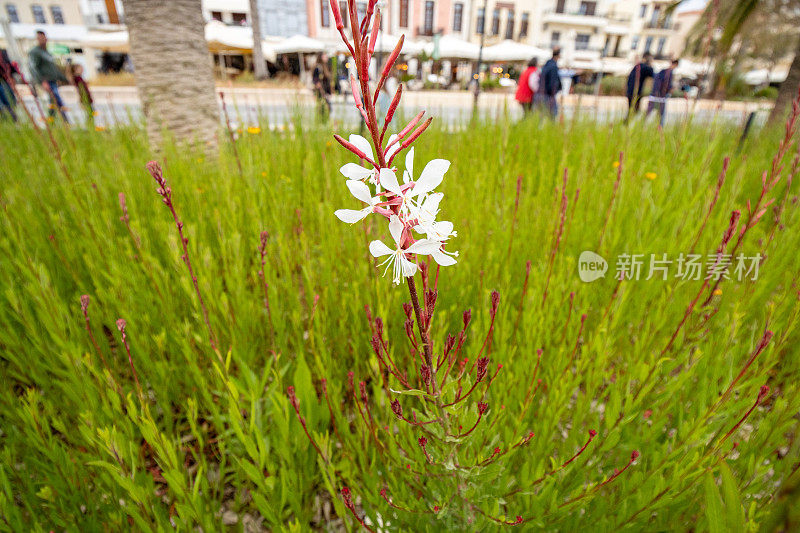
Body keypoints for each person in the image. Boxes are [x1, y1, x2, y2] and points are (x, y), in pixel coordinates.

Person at [28, 30, 68, 122]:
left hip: (53, 80)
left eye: (43, 37)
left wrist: (65, 79)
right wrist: (42, 81)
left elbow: (53, 68)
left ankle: (51, 122)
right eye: (39, 38)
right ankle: (65, 122)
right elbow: (33, 68)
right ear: (37, 39)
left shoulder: (47, 52)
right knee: (56, 99)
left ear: (46, 38)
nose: (42, 40)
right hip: (47, 81)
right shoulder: (35, 52)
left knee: (53, 101)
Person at [646, 59, 679, 128]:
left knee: (648, 114)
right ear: (676, 65)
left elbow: (656, 82)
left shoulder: (662, 71)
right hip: (661, 97)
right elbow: (667, 85)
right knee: (661, 116)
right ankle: (659, 129)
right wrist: (670, 89)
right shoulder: (669, 73)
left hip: (653, 95)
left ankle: (644, 127)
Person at [625, 52, 654, 120]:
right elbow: (652, 74)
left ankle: (626, 123)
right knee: (634, 110)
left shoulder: (637, 66)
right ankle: (627, 124)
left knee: (632, 109)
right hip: (635, 92)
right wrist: (650, 64)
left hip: (630, 92)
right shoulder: (644, 67)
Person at [536, 47, 562, 118]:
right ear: (559, 55)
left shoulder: (546, 64)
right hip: (548, 95)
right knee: (553, 116)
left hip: (540, 94)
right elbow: (553, 83)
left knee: (539, 117)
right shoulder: (553, 66)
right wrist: (554, 92)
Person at [0, 48, 20, 122]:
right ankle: (7, 122)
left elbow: (9, 66)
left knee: (10, 103)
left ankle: (14, 122)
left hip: (5, 81)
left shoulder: (3, 52)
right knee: (2, 107)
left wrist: (11, 79)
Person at [312, 52, 332, 121]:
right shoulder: (318, 68)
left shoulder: (326, 67)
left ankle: (325, 121)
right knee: (322, 108)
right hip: (321, 92)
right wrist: (320, 88)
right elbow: (315, 79)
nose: (326, 57)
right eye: (324, 56)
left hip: (326, 91)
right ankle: (322, 121)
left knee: (327, 108)